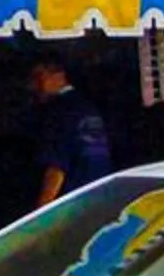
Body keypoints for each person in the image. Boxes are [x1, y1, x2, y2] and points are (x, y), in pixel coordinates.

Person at [33, 52, 116, 210]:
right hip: (101, 196)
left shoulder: (58, 111)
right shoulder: (90, 108)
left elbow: (56, 168)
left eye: (39, 77)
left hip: (71, 203)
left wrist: (40, 212)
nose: (34, 86)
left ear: (59, 75)